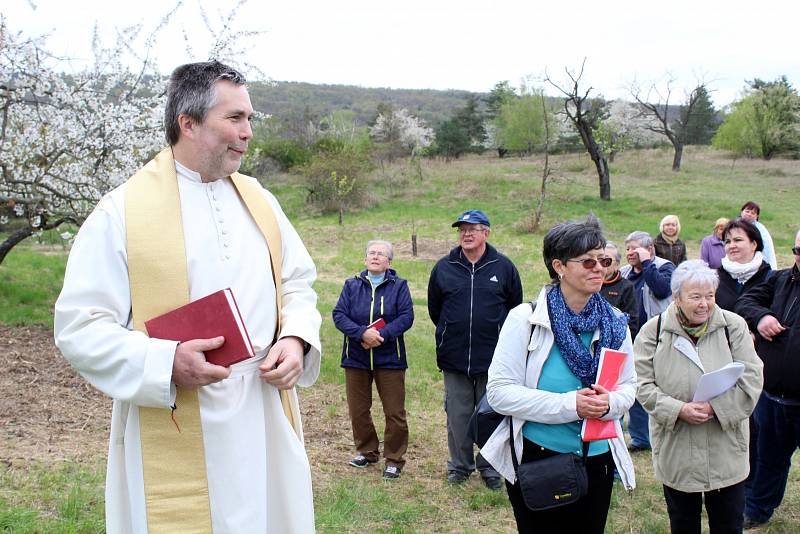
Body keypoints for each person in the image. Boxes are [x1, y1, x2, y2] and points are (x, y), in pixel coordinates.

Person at [54, 61, 322, 533]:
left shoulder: (259, 199)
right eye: (235, 118)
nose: (248, 133)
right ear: (189, 122)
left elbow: (297, 283)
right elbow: (80, 324)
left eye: (250, 119)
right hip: (179, 410)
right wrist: (164, 362)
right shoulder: (122, 211)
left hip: (262, 409)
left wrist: (296, 339)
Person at [482, 216, 636, 533]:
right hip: (541, 458)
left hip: (598, 458)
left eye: (604, 260)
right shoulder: (526, 319)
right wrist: (571, 405)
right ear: (559, 266)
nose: (599, 268)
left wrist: (609, 404)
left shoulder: (616, 323)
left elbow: (629, 387)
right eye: (588, 262)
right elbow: (499, 392)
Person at [635, 260, 763, 534]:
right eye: (695, 297)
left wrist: (716, 408)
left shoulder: (733, 326)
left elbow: (752, 380)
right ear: (677, 297)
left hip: (725, 448)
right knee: (683, 523)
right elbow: (641, 385)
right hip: (678, 449)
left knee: (728, 524)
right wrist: (678, 409)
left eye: (710, 296)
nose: (704, 304)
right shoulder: (653, 332)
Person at [427, 209, 523, 489]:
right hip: (454, 356)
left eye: (473, 228)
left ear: (486, 233)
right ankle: (460, 465)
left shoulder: (503, 267)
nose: (466, 234)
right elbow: (435, 309)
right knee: (457, 414)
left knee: (491, 415)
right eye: (462, 229)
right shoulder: (444, 267)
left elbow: (514, 309)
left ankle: (491, 468)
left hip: (493, 358)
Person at [332, 240, 413, 480]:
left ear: (389, 261)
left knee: (394, 412)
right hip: (356, 358)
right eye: (371, 253)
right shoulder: (351, 285)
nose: (375, 257)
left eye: (381, 254)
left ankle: (394, 459)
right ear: (365, 259)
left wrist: (380, 336)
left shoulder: (399, 286)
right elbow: (339, 314)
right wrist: (361, 333)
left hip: (389, 358)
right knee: (358, 410)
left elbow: (406, 316)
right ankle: (367, 451)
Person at [736, 229, 800, 529]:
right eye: (798, 250)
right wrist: (761, 317)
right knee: (767, 459)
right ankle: (758, 509)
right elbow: (746, 301)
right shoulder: (780, 279)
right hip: (772, 395)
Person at [620, 230, 675, 452]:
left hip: (657, 336)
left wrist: (647, 263)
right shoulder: (623, 273)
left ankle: (661, 431)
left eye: (635, 248)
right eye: (627, 249)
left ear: (649, 249)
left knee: (657, 385)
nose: (630, 253)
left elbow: (662, 291)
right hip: (629, 338)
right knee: (633, 385)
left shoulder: (664, 267)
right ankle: (641, 438)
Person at [716, 218, 772, 312]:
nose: (732, 246)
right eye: (728, 241)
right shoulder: (715, 278)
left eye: (737, 240)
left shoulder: (770, 279)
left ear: (754, 244)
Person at [599, 241, 640, 339]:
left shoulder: (626, 287)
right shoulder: (586, 282)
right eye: (599, 259)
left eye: (607, 260)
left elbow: (632, 322)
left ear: (616, 264)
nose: (602, 264)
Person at [740, 201, 777, 270]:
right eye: (747, 211)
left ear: (757, 216)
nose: (749, 214)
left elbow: (766, 249)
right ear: (742, 212)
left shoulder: (760, 230)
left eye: (753, 213)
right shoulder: (734, 225)